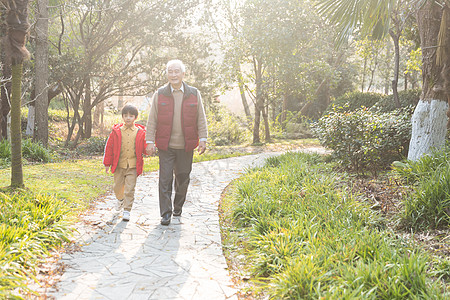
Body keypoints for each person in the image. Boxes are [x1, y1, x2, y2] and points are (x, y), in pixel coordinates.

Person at [146, 59, 208, 225]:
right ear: (167, 74)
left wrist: (203, 138)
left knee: (183, 179)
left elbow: (200, 117)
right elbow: (152, 119)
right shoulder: (160, 94)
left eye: (176, 71)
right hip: (166, 146)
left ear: (183, 74)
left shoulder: (194, 93)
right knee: (164, 179)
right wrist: (149, 140)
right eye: (170, 72)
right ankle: (165, 213)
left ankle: (177, 206)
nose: (173, 75)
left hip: (186, 146)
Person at [103, 104, 147, 221]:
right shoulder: (116, 132)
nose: (128, 118)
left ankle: (127, 210)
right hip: (119, 165)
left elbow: (145, 148)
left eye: (131, 116)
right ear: (122, 117)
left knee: (130, 188)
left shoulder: (140, 132)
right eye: (125, 115)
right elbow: (109, 148)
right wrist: (107, 163)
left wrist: (150, 147)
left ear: (135, 118)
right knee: (117, 187)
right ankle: (120, 200)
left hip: (133, 166)